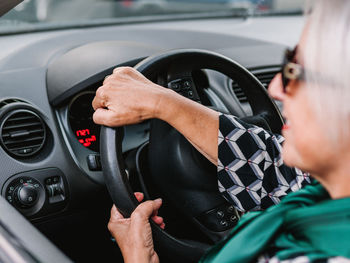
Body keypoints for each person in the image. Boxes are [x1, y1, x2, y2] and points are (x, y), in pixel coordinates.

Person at [92, 0, 350, 262]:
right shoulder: (330, 193)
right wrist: (164, 104)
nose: (276, 88)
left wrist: (139, 257)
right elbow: (275, 174)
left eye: (296, 70)